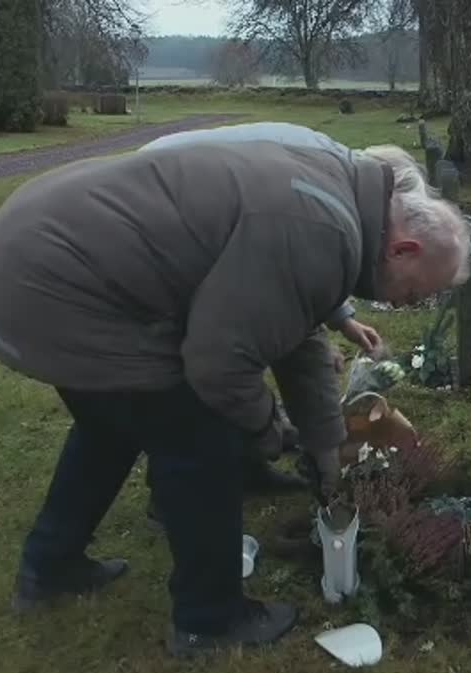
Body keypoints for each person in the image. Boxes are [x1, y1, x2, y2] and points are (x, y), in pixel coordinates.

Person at [0, 131, 471, 657]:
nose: (406, 303)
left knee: (111, 423)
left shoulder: (340, 200)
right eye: (414, 293)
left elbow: (299, 328)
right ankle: (210, 620)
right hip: (59, 279)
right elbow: (220, 365)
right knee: (201, 437)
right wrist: (267, 433)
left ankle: (50, 567)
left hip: (35, 244)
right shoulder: (323, 229)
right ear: (403, 249)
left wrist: (325, 446)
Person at [134, 123, 386, 504]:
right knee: (202, 370)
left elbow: (303, 272)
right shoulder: (314, 188)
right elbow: (296, 276)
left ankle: (247, 469)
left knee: (242, 352)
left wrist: (342, 318)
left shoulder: (331, 179)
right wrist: (290, 434)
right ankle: (172, 496)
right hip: (164, 219)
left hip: (205, 210)